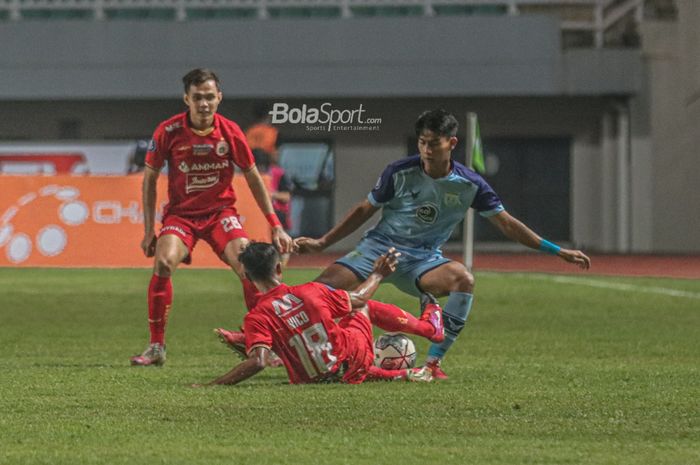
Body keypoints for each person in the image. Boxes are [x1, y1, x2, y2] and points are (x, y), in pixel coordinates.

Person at [294, 109, 591, 380]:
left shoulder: (469, 184)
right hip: (378, 248)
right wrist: (322, 242)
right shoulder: (398, 171)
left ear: (451, 143)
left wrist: (558, 251)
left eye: (433, 143)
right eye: (422, 142)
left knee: (463, 279)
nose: (426, 149)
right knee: (319, 290)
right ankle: (310, 355)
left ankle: (431, 365)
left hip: (423, 260)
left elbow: (508, 224)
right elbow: (363, 210)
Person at [130, 68, 292, 366]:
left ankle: (263, 343)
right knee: (164, 262)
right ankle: (156, 347)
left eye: (208, 97)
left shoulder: (230, 132)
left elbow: (255, 178)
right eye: (197, 98)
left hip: (221, 214)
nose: (203, 104)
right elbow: (149, 179)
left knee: (251, 267)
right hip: (181, 216)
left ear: (219, 97)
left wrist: (276, 225)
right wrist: (148, 230)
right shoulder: (168, 132)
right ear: (186, 99)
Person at [195, 243, 444, 386]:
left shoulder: (257, 317)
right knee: (360, 307)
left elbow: (258, 361)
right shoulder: (311, 291)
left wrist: (212, 385)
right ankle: (429, 330)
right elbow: (359, 298)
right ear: (279, 268)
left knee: (289, 336)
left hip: (310, 380)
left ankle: (247, 340)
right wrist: (378, 274)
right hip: (349, 365)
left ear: (248, 278)